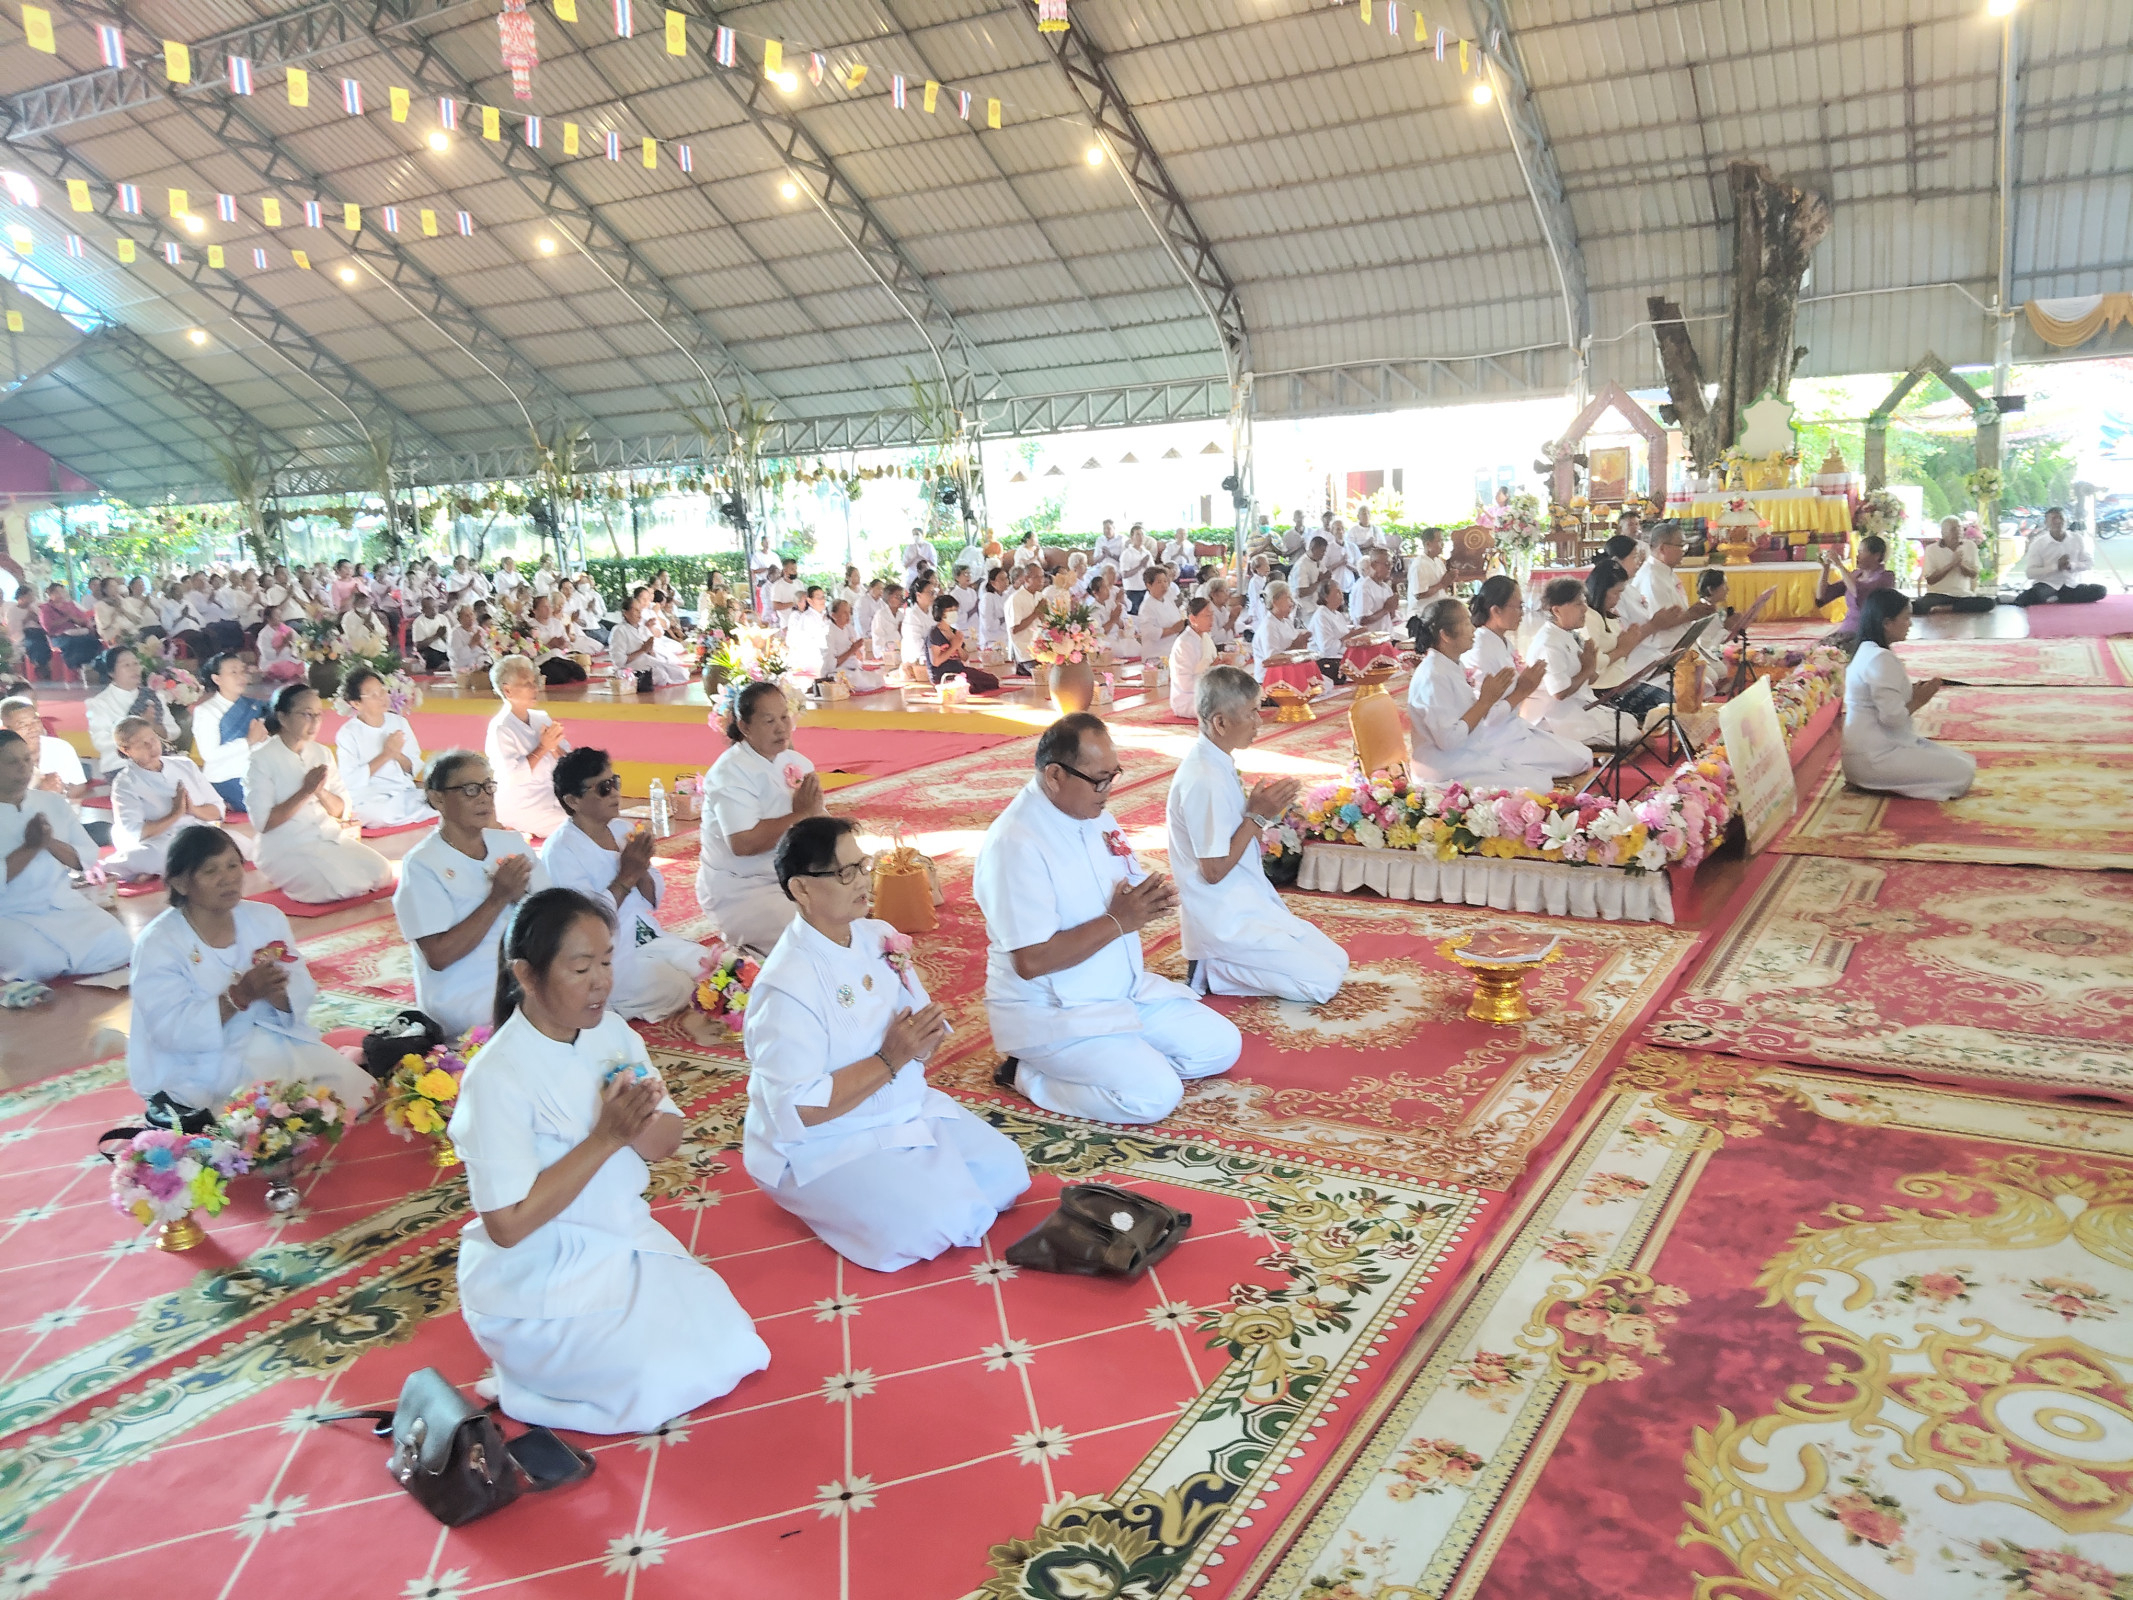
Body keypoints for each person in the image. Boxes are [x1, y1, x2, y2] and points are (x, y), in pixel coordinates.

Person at [448, 886, 769, 1434]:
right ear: (526, 974)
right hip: (539, 1279)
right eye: (580, 968)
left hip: (620, 1242)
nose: (602, 981)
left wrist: (637, 1124)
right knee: (655, 1381)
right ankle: (526, 1390)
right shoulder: (496, 1078)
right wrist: (604, 1137)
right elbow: (507, 1225)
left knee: (731, 1343)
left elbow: (666, 1137)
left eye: (605, 962)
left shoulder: (612, 1032)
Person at [743, 817, 1030, 1273]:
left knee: (1008, 1174)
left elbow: (919, 1040)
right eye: (845, 873)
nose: (863, 881)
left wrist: (922, 1040)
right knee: (941, 1224)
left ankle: (914, 1185)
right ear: (801, 890)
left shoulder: (877, 936)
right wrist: (889, 1059)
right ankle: (815, 1197)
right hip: (825, 1142)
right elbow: (801, 1110)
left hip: (904, 1108)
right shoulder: (786, 987)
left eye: (863, 866)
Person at [973, 714, 1241, 1124]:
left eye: (1113, 775)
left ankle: (1123, 1061)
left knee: (1221, 1046)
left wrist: (1148, 899)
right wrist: (1120, 920)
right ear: (1055, 775)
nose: (1109, 790)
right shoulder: (1015, 844)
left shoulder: (1092, 813)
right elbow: (1030, 962)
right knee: (1154, 1097)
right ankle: (1025, 1073)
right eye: (1099, 779)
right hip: (1054, 1012)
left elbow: (1124, 883)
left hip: (1120, 990)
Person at [126, 826, 375, 1117]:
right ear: (180, 883)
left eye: (233, 865)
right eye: (211, 871)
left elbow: (301, 990)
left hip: (273, 1036)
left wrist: (278, 992)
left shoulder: (265, 918)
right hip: (200, 1062)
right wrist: (238, 997)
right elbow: (169, 1030)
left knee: (356, 1095)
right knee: (266, 1119)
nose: (228, 879)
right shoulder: (159, 943)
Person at [1168, 667, 1348, 1003]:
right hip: (1222, 919)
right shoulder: (1203, 777)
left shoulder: (1218, 760)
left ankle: (1221, 965)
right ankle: (1213, 970)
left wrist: (1257, 811)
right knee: (1322, 984)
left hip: (1249, 901)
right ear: (1220, 723)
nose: (1259, 721)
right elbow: (1213, 871)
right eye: (1252, 712)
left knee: (1339, 962)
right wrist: (1256, 817)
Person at [540, 748, 706, 1021]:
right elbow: (582, 923)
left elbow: (654, 899)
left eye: (614, 782)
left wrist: (641, 870)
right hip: (604, 955)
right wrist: (627, 875)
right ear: (573, 800)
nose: (615, 793)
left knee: (711, 966)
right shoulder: (561, 852)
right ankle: (613, 1007)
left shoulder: (620, 829)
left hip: (646, 935)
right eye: (603, 788)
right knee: (678, 986)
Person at [393, 751, 549, 1037]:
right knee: (546, 1014)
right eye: (470, 789)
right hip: (463, 992)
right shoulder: (422, 864)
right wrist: (498, 898)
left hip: (521, 972)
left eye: (488, 786)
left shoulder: (509, 843)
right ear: (438, 798)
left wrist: (524, 900)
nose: (484, 797)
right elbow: (438, 956)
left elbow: (552, 914)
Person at [698, 681, 824, 956]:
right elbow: (743, 843)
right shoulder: (729, 772)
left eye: (783, 717)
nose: (781, 728)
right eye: (769, 721)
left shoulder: (795, 761)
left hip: (792, 875)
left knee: (852, 914)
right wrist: (801, 814)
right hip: (743, 888)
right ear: (744, 727)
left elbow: (818, 821)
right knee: (812, 935)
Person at [243, 684, 394, 904]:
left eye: (318, 715)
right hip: (286, 845)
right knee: (337, 887)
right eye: (306, 714)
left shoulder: (321, 752)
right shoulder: (260, 759)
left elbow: (342, 810)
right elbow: (263, 823)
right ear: (283, 717)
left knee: (382, 873)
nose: (314, 722)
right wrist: (305, 791)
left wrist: (320, 791)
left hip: (328, 838)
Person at [0, 728, 131, 982]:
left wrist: (49, 843)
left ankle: (65, 962)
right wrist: (29, 848)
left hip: (61, 903)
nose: (23, 768)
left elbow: (85, 858)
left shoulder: (51, 803)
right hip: (9, 912)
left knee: (119, 942)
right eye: (11, 762)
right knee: (35, 960)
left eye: (27, 759)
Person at [1406, 598, 1560, 792]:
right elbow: (1449, 740)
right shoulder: (1433, 676)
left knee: (1541, 778)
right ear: (1445, 635)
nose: (1473, 629)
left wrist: (1490, 701)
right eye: (1466, 623)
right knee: (1537, 787)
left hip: (1467, 756)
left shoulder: (1451, 664)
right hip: (1443, 769)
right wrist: (1485, 701)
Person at [1842, 589, 1976, 800]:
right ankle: (1878, 783)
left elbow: (1883, 699)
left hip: (1868, 752)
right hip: (1874, 757)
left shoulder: (1868, 650)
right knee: (1962, 773)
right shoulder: (1880, 659)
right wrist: (1919, 700)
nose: (1910, 624)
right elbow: (1892, 719)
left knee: (1966, 761)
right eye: (1906, 618)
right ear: (1887, 623)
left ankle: (1881, 781)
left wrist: (1911, 692)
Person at [1462, 577, 1593, 776]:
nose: (1522, 613)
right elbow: (1485, 716)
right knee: (1577, 761)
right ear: (1496, 610)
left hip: (1513, 726)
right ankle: (1498, 766)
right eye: (1518, 606)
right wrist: (1524, 690)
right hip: (1493, 737)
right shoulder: (1481, 650)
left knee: (1582, 754)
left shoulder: (1502, 643)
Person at [107, 716, 233, 882]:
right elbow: (134, 833)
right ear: (126, 750)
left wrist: (193, 809)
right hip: (161, 843)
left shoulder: (185, 765)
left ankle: (161, 870)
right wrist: (175, 814)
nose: (151, 746)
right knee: (154, 855)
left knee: (237, 844)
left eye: (153, 739)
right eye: (142, 744)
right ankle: (164, 868)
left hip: (199, 834)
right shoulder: (125, 783)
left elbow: (218, 811)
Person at [333, 665, 431, 829]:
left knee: (441, 799)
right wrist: (386, 754)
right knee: (374, 814)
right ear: (356, 703)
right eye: (373, 695)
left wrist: (397, 755)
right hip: (370, 796)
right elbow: (350, 780)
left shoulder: (399, 722)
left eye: (383, 691)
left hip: (403, 792)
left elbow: (412, 767)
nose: (382, 698)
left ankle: (411, 813)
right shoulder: (348, 733)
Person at [485, 655, 572, 839]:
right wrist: (542, 748)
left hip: (552, 793)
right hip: (522, 803)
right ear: (507, 690)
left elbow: (569, 762)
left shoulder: (541, 717)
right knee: (576, 825)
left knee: (594, 813)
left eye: (534, 682)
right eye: (526, 684)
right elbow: (511, 777)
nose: (535, 688)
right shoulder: (501, 727)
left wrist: (554, 747)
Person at [1526, 579, 1616, 749]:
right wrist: (1587, 668)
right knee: (1625, 734)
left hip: (1578, 709)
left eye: (1584, 602)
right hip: (1556, 719)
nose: (1585, 609)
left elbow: (1591, 679)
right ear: (1557, 610)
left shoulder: (1570, 634)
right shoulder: (1548, 643)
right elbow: (1559, 693)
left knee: (1629, 724)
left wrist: (1590, 664)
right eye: (1578, 604)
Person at [1581, 558, 1670, 721]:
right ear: (1600, 590)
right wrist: (1623, 649)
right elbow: (1593, 664)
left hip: (1619, 683)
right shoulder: (1589, 617)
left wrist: (1630, 641)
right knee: (1664, 710)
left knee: (1670, 703)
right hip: (1602, 691)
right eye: (1616, 593)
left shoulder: (1609, 615)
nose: (1619, 598)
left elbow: (1620, 658)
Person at [192, 652, 269, 813]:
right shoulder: (206, 711)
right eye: (233, 672)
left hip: (257, 774)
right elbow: (209, 755)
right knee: (269, 806)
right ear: (217, 679)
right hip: (226, 779)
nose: (240, 676)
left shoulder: (254, 705)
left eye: (242, 671)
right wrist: (248, 741)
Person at [85, 647, 180, 776]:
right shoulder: (100, 703)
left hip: (158, 761)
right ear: (111, 673)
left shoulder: (153, 696)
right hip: (121, 766)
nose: (134, 669)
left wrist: (154, 727)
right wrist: (136, 732)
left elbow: (175, 731)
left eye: (136, 663)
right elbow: (100, 742)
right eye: (126, 665)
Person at [1815, 536, 1901, 645]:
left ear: (1876, 555)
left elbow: (1859, 593)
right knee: (1816, 652)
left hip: (1868, 635)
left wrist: (1840, 565)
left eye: (1861, 552)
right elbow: (1821, 596)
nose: (1857, 556)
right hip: (1846, 631)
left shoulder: (1886, 577)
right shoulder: (1855, 575)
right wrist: (1826, 568)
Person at [2014, 507, 2107, 605]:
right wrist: (2056, 567)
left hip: (2071, 585)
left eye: (2061, 518)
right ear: (2046, 523)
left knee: (2100, 590)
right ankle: (2060, 597)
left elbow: (2089, 563)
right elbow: (2030, 573)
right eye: (2054, 518)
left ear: (2066, 521)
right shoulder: (2038, 543)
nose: (2058, 521)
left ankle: (2059, 597)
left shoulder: (2077, 539)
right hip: (2047, 584)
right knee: (2028, 597)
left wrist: (2071, 565)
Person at [1914, 516, 1995, 614]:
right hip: (1937, 595)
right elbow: (1930, 580)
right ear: (1943, 533)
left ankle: (1947, 608)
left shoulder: (1970, 546)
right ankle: (1952, 607)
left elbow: (1974, 574)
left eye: (1960, 528)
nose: (1959, 532)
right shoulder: (1931, 549)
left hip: (1963, 596)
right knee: (1917, 606)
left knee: (1990, 603)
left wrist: (1960, 565)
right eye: (1953, 529)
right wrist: (1952, 565)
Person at [925, 594, 1000, 693]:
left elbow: (965, 657)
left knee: (992, 681)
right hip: (942, 675)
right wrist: (953, 646)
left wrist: (959, 647)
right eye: (950, 611)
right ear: (941, 612)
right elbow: (936, 662)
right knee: (969, 684)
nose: (954, 613)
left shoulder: (955, 632)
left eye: (955, 610)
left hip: (959, 670)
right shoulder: (934, 633)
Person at [1168, 597, 1224, 718]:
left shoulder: (1205, 638)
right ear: (1193, 619)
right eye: (1207, 616)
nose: (1211, 620)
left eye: (1212, 615)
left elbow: (1211, 666)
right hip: (1188, 700)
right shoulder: (1183, 644)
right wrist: (1211, 671)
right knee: (1229, 708)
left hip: (1208, 692)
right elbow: (1185, 684)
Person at [821, 599, 882, 691]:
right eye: (844, 613)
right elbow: (830, 665)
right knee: (859, 682)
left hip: (852, 670)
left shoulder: (848, 628)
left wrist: (857, 650)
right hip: (835, 673)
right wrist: (852, 650)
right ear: (833, 615)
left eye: (849, 613)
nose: (848, 616)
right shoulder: (827, 632)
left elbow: (858, 655)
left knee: (879, 679)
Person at [528, 594, 590, 684]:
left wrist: (563, 644)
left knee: (580, 674)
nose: (548, 609)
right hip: (542, 661)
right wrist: (549, 645)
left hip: (559, 656)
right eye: (544, 607)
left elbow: (567, 645)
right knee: (560, 676)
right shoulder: (529, 626)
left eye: (549, 606)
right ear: (534, 610)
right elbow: (530, 652)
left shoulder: (556, 623)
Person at [1252, 582, 1308, 675]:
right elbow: (1272, 660)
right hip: (1270, 679)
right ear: (1275, 601)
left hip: (1287, 673)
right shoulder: (1269, 626)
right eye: (1288, 597)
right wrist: (1295, 646)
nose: (1292, 602)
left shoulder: (1286, 622)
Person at [1136, 566, 1186, 663]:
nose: (1164, 585)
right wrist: (1172, 630)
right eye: (1159, 582)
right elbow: (1149, 632)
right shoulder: (1147, 607)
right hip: (1156, 655)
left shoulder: (1169, 601)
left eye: (1165, 581)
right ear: (1149, 585)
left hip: (1173, 650)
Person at [869, 583, 906, 676]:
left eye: (901, 596)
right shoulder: (880, 615)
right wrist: (897, 632)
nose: (900, 599)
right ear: (889, 598)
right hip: (885, 655)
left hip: (901, 654)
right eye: (897, 596)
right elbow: (878, 639)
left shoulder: (901, 615)